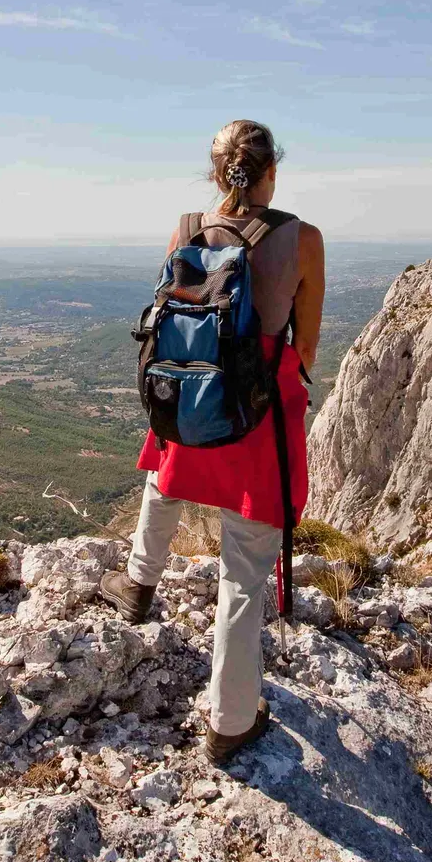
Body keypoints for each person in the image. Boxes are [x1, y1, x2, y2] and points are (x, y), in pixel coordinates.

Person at [97, 119, 325, 761]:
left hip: (187, 393)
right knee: (245, 565)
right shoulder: (301, 238)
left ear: (215, 171)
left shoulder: (187, 226)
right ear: (273, 170)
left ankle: (139, 584)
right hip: (255, 408)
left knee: (166, 469)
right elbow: (303, 344)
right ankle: (229, 721)